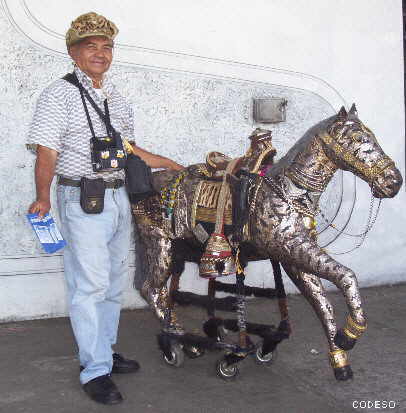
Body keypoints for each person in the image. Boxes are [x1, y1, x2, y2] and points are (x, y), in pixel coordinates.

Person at [27, 12, 183, 405]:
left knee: (112, 280)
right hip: (82, 196)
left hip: (117, 196)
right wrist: (43, 197)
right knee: (90, 284)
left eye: (106, 46)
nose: (100, 53)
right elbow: (47, 150)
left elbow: (130, 150)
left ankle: (104, 352)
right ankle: (94, 370)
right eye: (91, 46)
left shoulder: (117, 97)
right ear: (73, 53)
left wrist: (173, 164)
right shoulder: (57, 94)